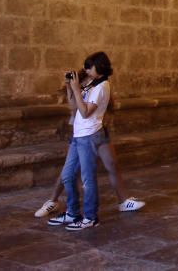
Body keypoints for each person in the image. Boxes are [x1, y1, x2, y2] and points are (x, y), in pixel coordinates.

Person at [35, 69, 144, 219]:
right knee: (69, 170)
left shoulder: (99, 89)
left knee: (112, 163)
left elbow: (105, 109)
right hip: (81, 134)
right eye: (85, 81)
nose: (88, 83)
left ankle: (123, 201)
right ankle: (52, 201)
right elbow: (76, 109)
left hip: (99, 132)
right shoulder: (80, 91)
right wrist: (71, 88)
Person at [47, 52, 112, 230]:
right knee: (67, 176)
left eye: (89, 66)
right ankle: (72, 213)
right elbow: (74, 108)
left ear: (99, 67)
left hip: (89, 135)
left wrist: (77, 89)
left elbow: (85, 113)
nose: (86, 70)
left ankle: (91, 217)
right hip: (78, 135)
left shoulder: (102, 86)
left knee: (87, 179)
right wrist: (70, 87)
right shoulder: (90, 84)